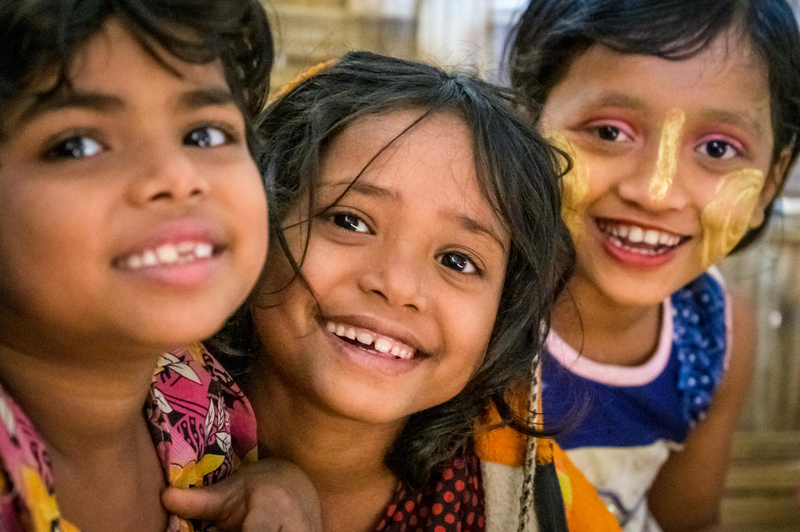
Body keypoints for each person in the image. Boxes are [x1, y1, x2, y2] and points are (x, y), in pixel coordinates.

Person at [162, 52, 620, 532]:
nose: (399, 286)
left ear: (503, 316)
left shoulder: (532, 503)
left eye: (458, 261)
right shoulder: (133, 423)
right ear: (255, 221)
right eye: (350, 221)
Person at [490, 1, 800, 530]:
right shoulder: (473, 302)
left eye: (719, 147)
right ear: (527, 124)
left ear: (772, 179)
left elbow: (688, 519)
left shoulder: (717, 335)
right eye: (609, 132)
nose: (656, 194)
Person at [0, 1, 276, 530]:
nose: (176, 175)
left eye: (206, 135)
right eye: (77, 146)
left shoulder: (195, 386)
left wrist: (284, 479)